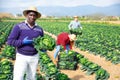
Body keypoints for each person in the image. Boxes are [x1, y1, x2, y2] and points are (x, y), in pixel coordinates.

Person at [7, 6, 44, 80]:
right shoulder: (19, 27)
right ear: (27, 15)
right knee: (18, 77)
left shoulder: (39, 29)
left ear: (36, 17)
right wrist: (22, 42)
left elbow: (41, 42)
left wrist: (43, 48)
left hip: (34, 56)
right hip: (22, 56)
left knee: (31, 77)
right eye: (30, 14)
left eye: (34, 15)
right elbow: (10, 41)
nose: (32, 17)